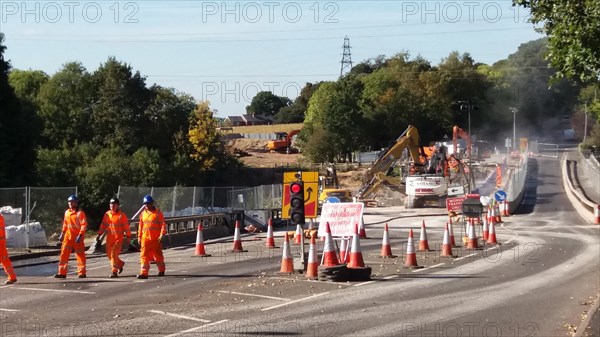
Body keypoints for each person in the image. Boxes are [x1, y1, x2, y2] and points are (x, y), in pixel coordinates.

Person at [55, 194, 88, 278]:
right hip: (68, 237)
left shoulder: (80, 213)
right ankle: (62, 273)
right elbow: (65, 224)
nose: (70, 203)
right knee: (63, 254)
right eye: (69, 202)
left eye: (72, 202)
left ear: (76, 203)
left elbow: (83, 225)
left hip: (78, 238)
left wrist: (80, 235)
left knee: (80, 256)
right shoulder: (67, 212)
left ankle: (82, 273)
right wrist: (62, 233)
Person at [97, 197, 131, 278]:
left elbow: (126, 227)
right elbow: (103, 225)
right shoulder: (107, 214)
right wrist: (99, 234)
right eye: (111, 204)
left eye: (114, 204)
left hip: (118, 239)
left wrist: (128, 236)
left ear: (118, 206)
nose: (112, 205)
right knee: (109, 255)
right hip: (109, 239)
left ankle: (114, 271)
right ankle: (120, 263)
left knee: (113, 255)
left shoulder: (121, 216)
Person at [137, 195, 166, 279]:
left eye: (148, 204)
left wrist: (162, 234)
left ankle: (161, 269)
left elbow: (163, 225)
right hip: (145, 239)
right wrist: (139, 236)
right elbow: (140, 226)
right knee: (144, 255)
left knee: (158, 255)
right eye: (145, 204)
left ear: (152, 203)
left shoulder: (158, 213)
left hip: (155, 239)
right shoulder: (142, 214)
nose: (146, 205)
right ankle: (144, 273)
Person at [0, 213, 17, 285]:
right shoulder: (1, 217)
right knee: (5, 261)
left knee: (5, 261)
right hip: (2, 243)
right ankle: (12, 277)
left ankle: (12, 277)